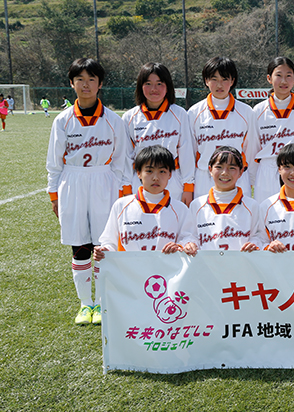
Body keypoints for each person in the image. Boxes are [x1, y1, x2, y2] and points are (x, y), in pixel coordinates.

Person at [46, 57, 128, 325]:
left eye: (91, 79)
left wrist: (120, 191)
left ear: (100, 84)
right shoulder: (62, 120)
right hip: (73, 182)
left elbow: (121, 161)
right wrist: (54, 195)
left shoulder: (114, 120)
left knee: (104, 245)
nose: (86, 84)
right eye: (80, 79)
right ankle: (85, 305)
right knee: (79, 244)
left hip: (104, 182)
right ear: (71, 83)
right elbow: (54, 162)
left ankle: (102, 303)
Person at [94, 145, 198, 260]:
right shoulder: (121, 205)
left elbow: (189, 238)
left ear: (170, 174)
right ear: (138, 173)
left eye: (162, 171)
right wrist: (105, 250)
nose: (155, 177)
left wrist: (183, 245)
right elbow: (109, 241)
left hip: (167, 269)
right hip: (128, 269)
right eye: (149, 171)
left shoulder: (180, 209)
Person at [123, 62, 195, 206]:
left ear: (168, 86)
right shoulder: (130, 117)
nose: (154, 89)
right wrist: (126, 187)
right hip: (141, 180)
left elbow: (186, 151)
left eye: (159, 83)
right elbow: (126, 156)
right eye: (148, 83)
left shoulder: (179, 114)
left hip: (172, 179)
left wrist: (188, 186)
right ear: (140, 86)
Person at [188, 57, 256, 199]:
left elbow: (250, 150)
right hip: (204, 177)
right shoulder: (194, 112)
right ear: (206, 81)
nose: (219, 85)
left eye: (224, 79)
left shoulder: (246, 112)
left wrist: (249, 178)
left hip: (237, 177)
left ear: (232, 81)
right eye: (214, 79)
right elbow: (191, 152)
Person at [251, 57, 294, 201]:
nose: (283, 81)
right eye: (279, 75)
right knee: (266, 212)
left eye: (288, 76)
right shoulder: (258, 111)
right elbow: (253, 147)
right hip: (266, 170)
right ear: (269, 78)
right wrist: (252, 177)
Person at [190, 146, 265, 251]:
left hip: (240, 262)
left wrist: (254, 244)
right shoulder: (197, 205)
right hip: (207, 262)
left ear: (241, 172)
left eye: (232, 168)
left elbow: (259, 236)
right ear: (210, 170)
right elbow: (190, 235)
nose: (225, 172)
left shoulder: (252, 206)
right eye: (219, 167)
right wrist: (190, 244)